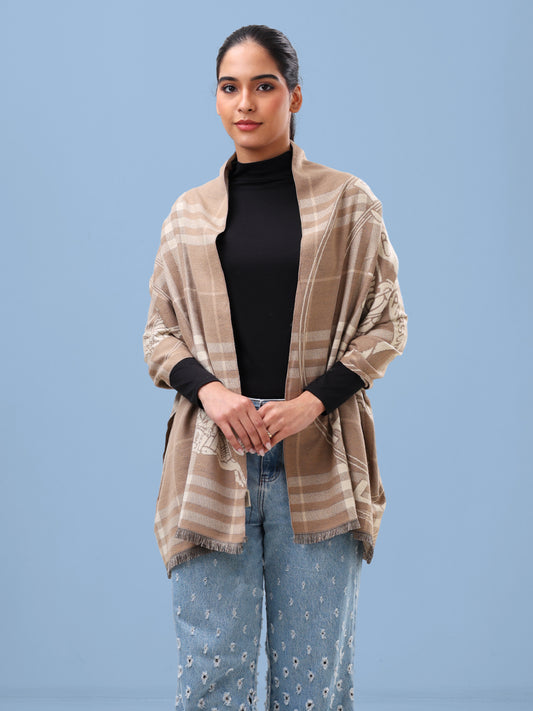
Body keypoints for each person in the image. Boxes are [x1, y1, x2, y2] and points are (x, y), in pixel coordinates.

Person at [143, 24, 407, 711]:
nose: (245, 103)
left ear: (294, 96)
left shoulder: (347, 203)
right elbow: (159, 335)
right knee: (211, 680)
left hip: (317, 460)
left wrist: (309, 403)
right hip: (212, 462)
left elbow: (386, 324)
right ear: (216, 98)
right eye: (229, 87)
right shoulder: (188, 214)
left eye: (263, 86)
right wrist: (214, 395)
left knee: (314, 683)